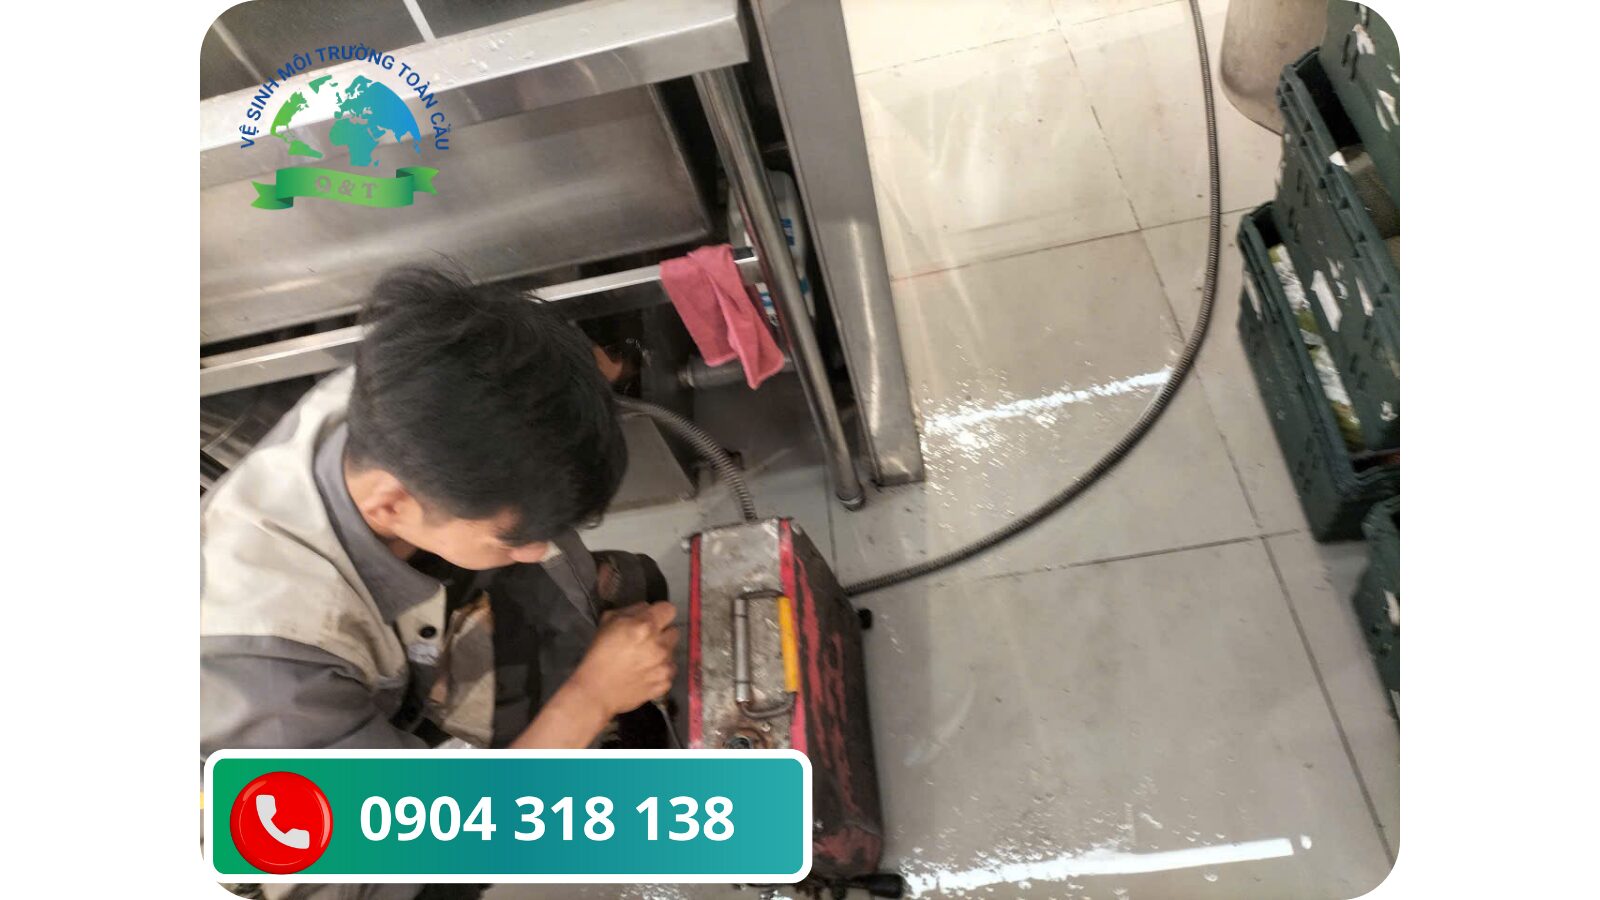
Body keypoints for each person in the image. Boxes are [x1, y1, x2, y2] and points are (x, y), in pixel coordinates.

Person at [202, 267, 681, 896]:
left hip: (397, 635)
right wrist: (590, 698)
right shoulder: (275, 675)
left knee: (629, 587)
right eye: (513, 538)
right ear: (392, 506)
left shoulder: (403, 390)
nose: (539, 551)